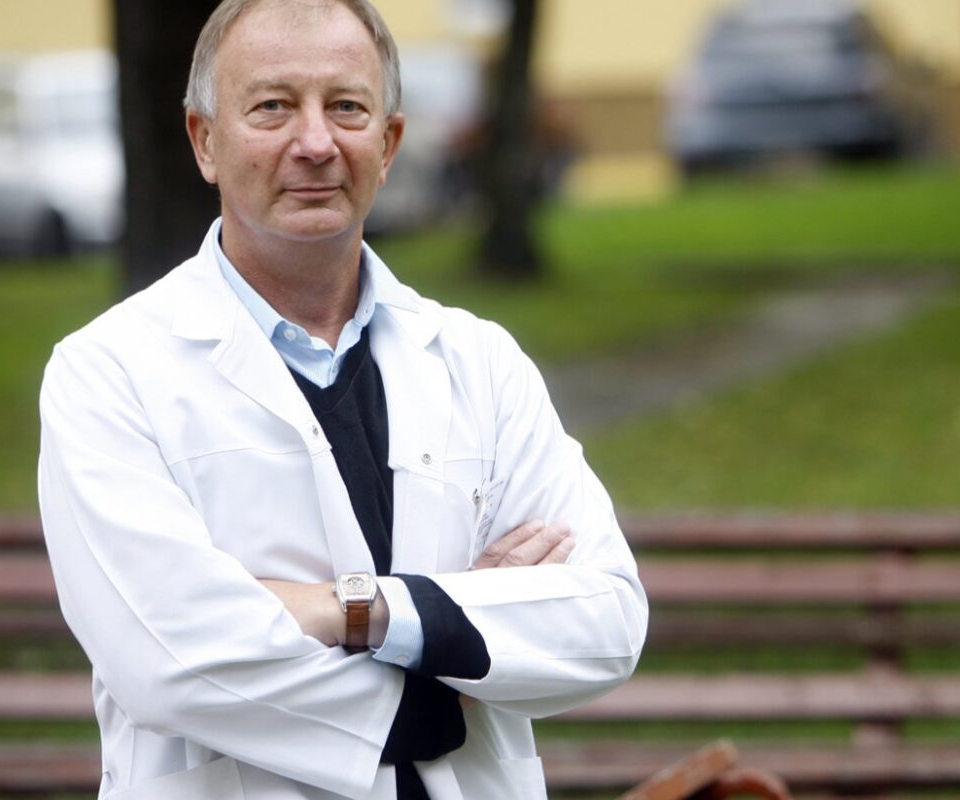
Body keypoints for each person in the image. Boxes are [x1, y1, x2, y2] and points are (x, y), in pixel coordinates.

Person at [36, 1, 647, 797]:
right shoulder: (108, 374)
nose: (316, 142)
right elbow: (169, 659)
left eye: (347, 107)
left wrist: (356, 610)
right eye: (273, 106)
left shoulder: (481, 364)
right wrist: (458, 646)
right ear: (204, 140)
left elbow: (605, 620)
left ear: (388, 145)